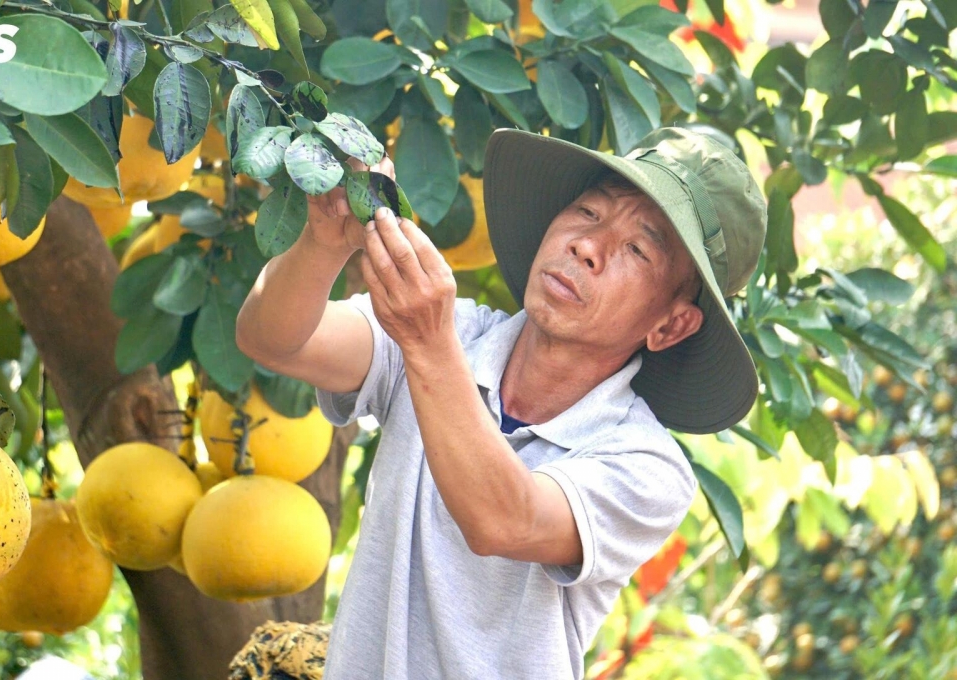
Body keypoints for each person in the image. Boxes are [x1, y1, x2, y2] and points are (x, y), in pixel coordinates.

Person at [234, 126, 768, 679]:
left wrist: (428, 343)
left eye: (637, 248)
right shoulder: (453, 334)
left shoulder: (647, 466)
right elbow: (273, 340)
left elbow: (504, 522)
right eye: (588, 213)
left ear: (670, 324)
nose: (588, 246)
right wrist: (322, 245)